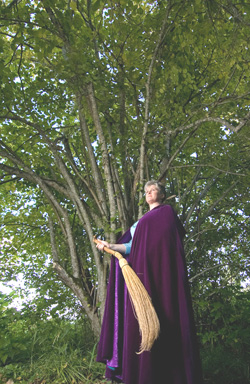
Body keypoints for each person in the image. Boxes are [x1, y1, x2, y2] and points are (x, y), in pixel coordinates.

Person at [96, 180, 203, 384]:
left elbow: (164, 247)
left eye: (153, 190)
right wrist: (109, 246)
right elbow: (130, 248)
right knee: (142, 326)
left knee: (166, 320)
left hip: (161, 278)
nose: (149, 193)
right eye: (146, 191)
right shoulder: (140, 223)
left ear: (162, 195)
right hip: (142, 280)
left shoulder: (166, 214)